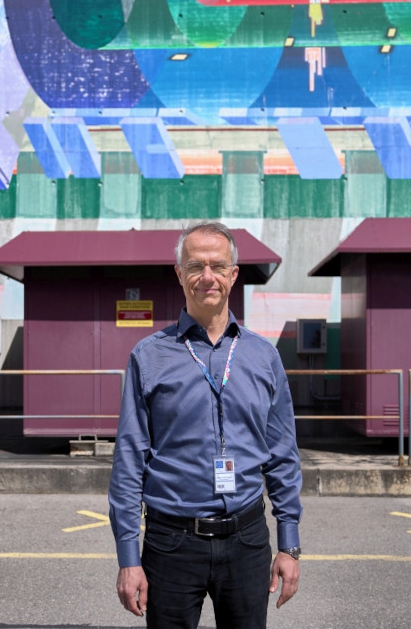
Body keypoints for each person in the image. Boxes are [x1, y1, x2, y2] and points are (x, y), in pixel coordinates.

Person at [109, 221, 302, 628]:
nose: (207, 277)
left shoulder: (263, 356)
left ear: (234, 274)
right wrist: (129, 558)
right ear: (179, 274)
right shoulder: (149, 356)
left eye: (218, 266)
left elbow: (283, 456)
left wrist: (289, 544)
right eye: (195, 266)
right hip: (171, 542)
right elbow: (129, 462)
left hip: (248, 539)